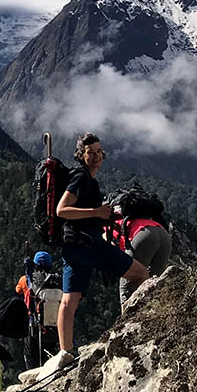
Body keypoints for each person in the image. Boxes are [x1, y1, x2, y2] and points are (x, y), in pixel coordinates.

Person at [53, 133, 149, 368]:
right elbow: (62, 209)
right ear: (81, 156)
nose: (96, 156)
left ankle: (65, 352)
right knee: (141, 275)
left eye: (98, 151)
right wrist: (97, 212)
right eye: (90, 152)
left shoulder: (85, 179)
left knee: (69, 300)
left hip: (75, 245)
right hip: (89, 244)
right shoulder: (81, 178)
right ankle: (137, 326)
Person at [112, 214, 171, 308]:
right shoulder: (117, 218)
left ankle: (127, 320)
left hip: (143, 235)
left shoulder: (103, 228)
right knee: (155, 285)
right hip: (163, 233)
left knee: (127, 286)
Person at [15, 251, 62, 369]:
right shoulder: (58, 281)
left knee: (31, 359)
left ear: (35, 265)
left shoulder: (27, 280)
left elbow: (18, 291)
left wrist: (26, 274)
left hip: (34, 328)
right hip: (55, 329)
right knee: (51, 358)